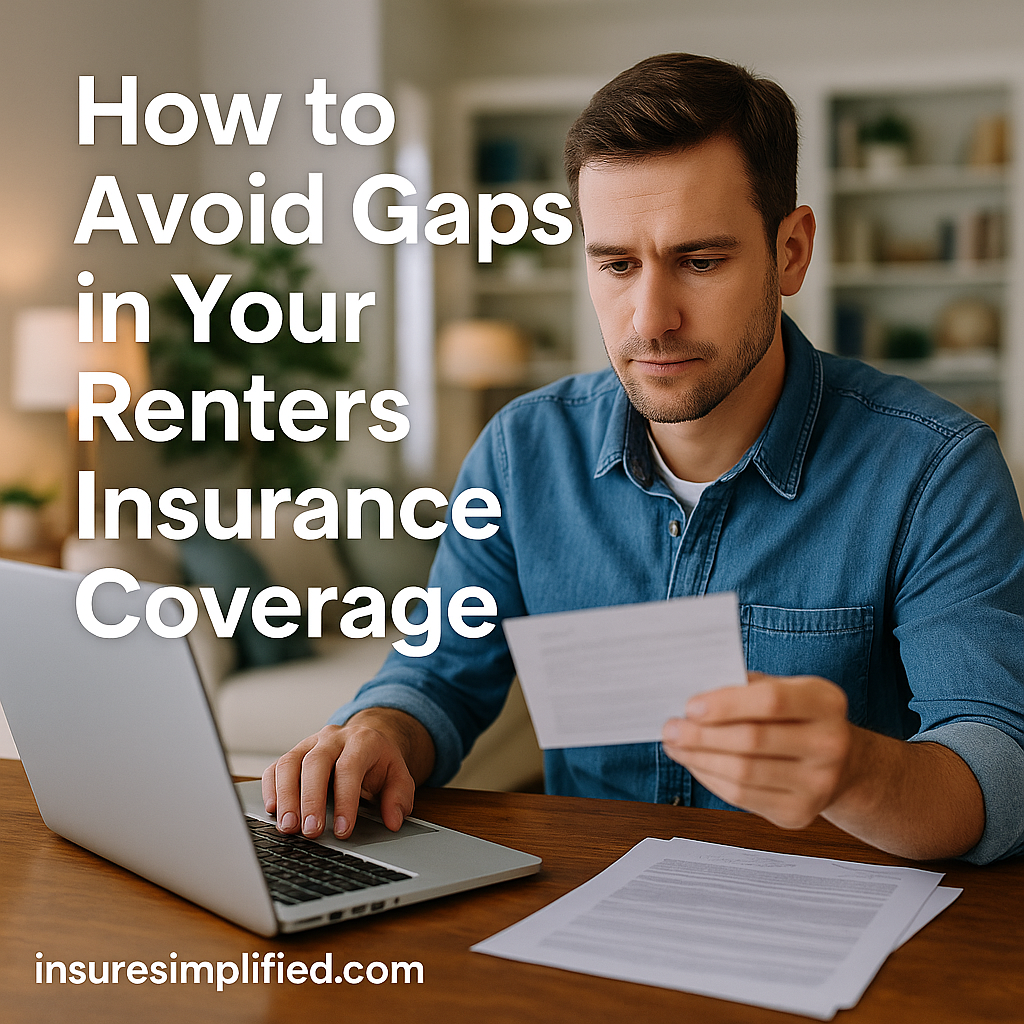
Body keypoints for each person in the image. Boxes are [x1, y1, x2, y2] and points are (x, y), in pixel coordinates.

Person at [264, 53, 1024, 865]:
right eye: (617, 264)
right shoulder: (522, 455)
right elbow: (439, 678)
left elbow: (1000, 769)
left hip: (838, 915)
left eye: (700, 261)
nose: (650, 319)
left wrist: (856, 772)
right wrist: (378, 731)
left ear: (792, 251)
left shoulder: (934, 470)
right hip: (587, 909)